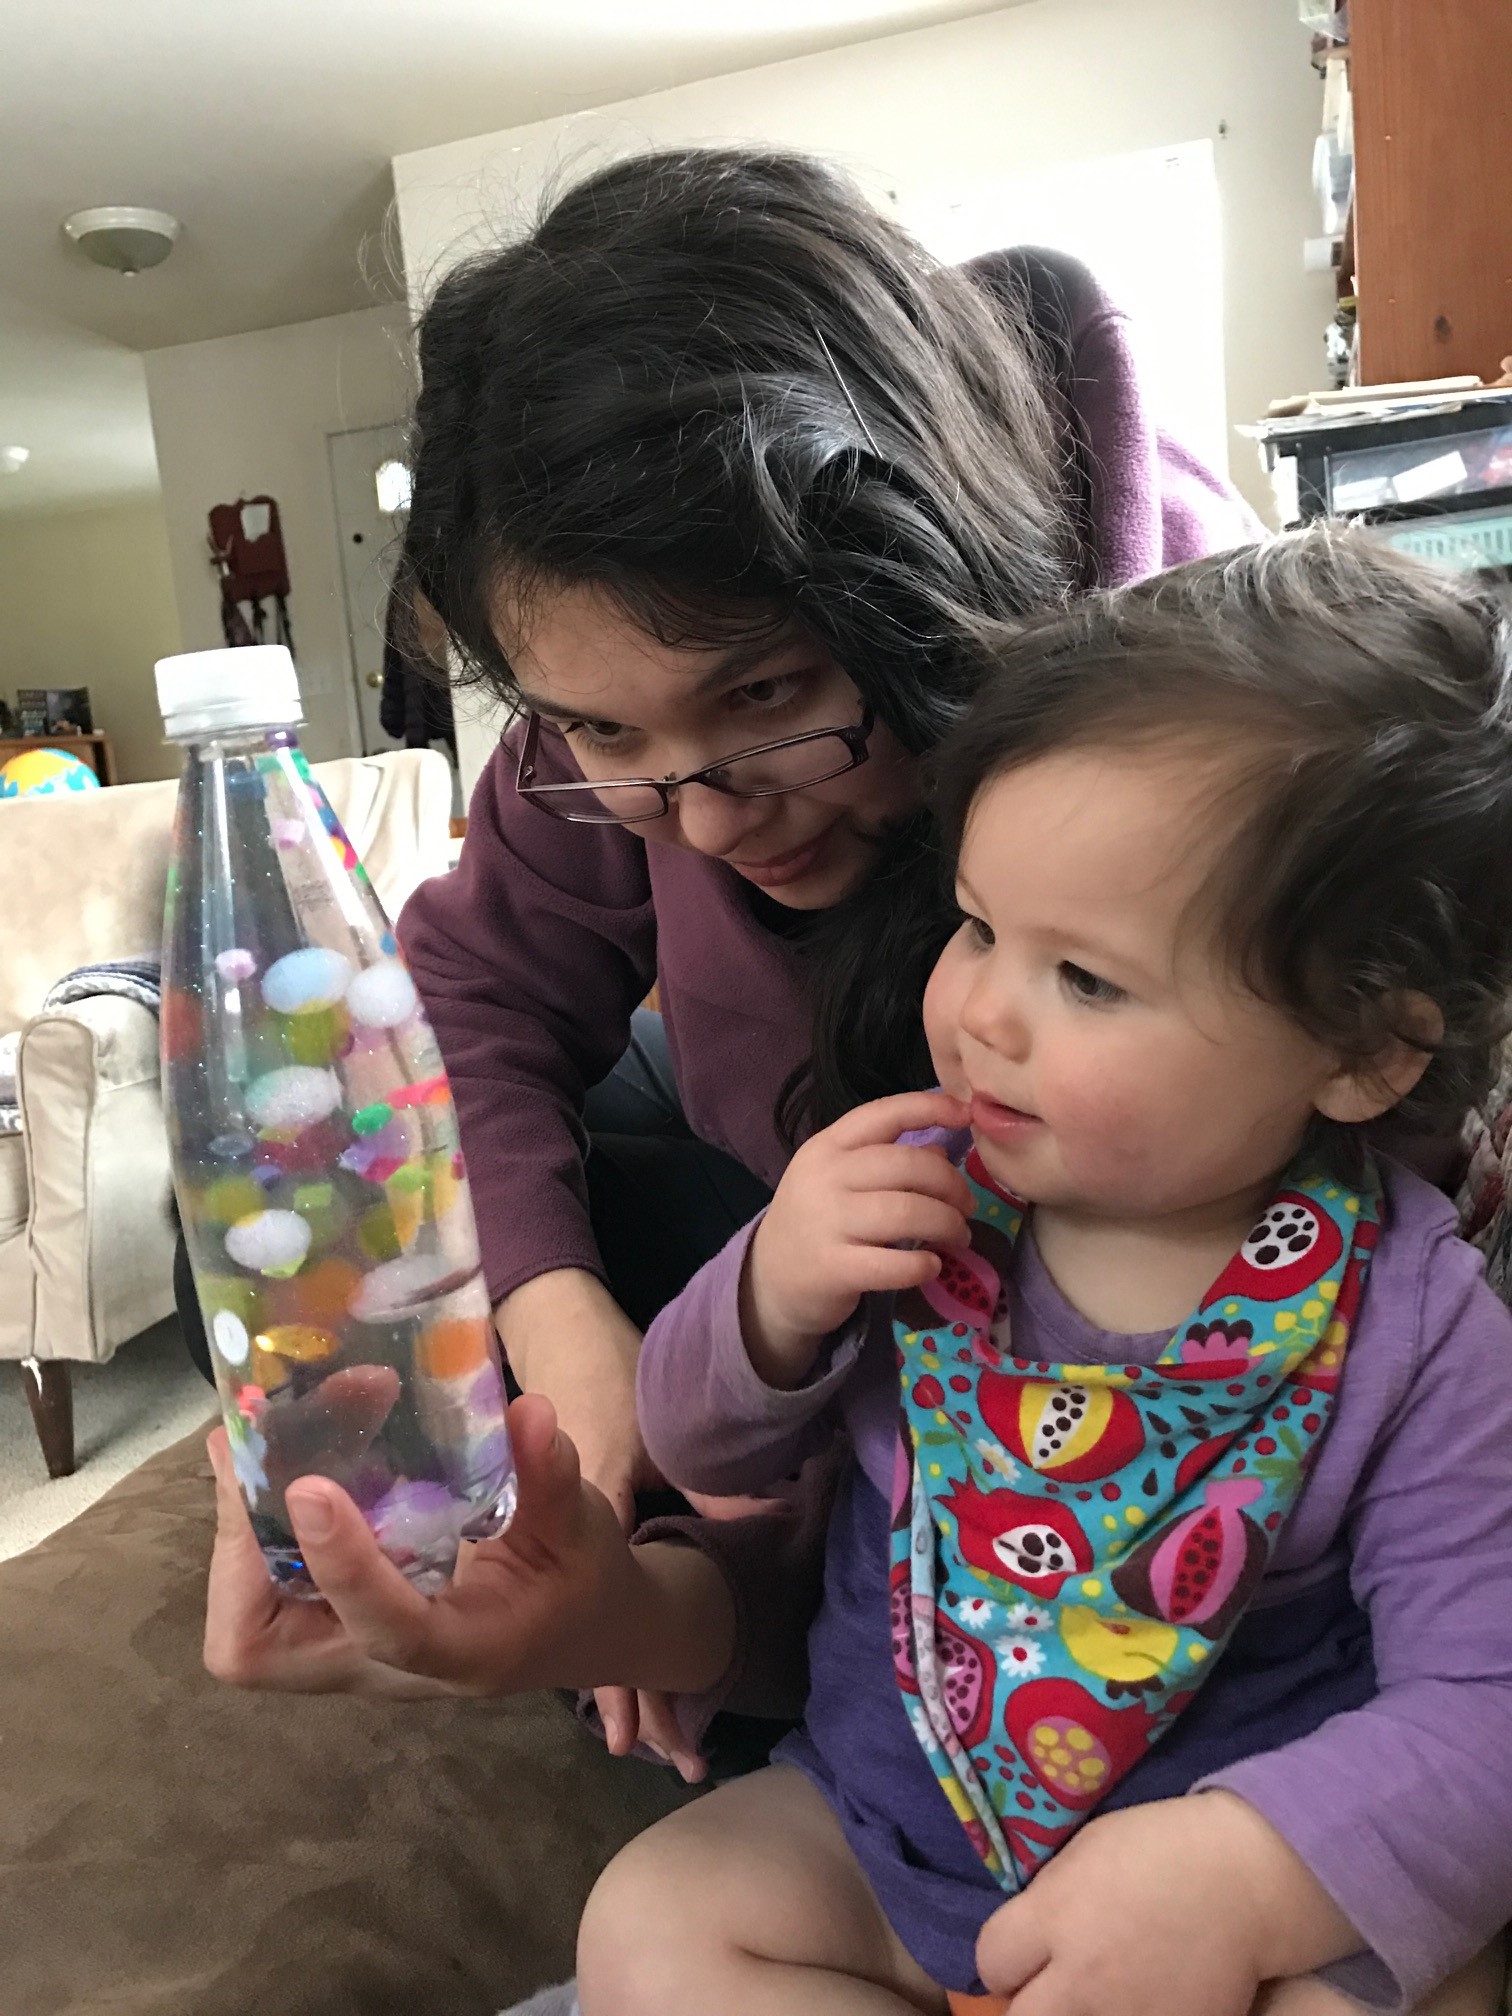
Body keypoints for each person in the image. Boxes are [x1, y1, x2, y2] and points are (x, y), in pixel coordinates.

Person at [200, 144, 1253, 1738]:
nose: (702, 820)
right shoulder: (621, 729)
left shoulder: (1210, 716)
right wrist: (558, 1313)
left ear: (935, 585)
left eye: (765, 698)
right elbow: (467, 988)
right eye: (599, 731)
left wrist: (701, 1591)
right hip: (755, 1136)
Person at [574, 529, 1512, 2015]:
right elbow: (699, 1445)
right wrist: (770, 1295)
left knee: (1436, 1984)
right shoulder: (911, 1199)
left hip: (1211, 1934)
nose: (982, 1013)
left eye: (1086, 978)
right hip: (879, 1849)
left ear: (1362, 1046)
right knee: (656, 1924)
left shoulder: (1422, 1332)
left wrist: (1251, 1872)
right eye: (980, 925)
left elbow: (1487, 1711)